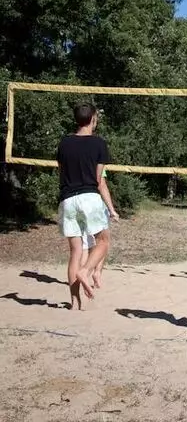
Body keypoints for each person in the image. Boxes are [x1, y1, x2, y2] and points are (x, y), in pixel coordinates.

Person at [56, 103, 119, 309]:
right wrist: (111, 208)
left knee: (75, 251)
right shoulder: (98, 143)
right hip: (89, 196)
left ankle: (74, 303)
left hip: (67, 199)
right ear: (93, 119)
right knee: (103, 241)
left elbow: (61, 173)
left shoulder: (64, 144)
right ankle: (86, 271)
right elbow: (99, 180)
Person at [80, 169, 116, 289]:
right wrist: (112, 210)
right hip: (93, 203)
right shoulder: (96, 159)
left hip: (74, 203)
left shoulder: (72, 157)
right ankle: (94, 273)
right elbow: (101, 184)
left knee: (84, 245)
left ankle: (86, 275)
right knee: (102, 243)